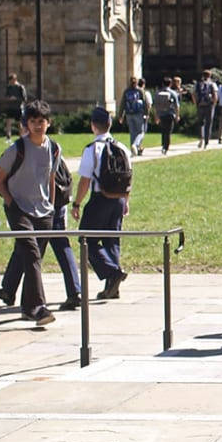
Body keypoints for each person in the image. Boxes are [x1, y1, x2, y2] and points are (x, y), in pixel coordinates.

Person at [0, 100, 66, 325]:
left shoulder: (54, 149)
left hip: (44, 210)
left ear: (48, 123)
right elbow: (0, 182)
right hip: (19, 208)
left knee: (32, 258)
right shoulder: (16, 150)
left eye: (41, 121)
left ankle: (26, 306)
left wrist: (52, 208)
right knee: (32, 254)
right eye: (33, 121)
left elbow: (51, 179)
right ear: (26, 124)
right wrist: (10, 202)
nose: (37, 126)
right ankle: (39, 308)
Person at [69, 107, 130, 301]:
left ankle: (113, 273)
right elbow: (128, 177)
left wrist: (77, 203)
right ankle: (113, 286)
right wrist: (125, 201)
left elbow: (85, 180)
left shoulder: (92, 149)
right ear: (110, 124)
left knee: (87, 239)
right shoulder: (122, 148)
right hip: (119, 199)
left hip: (100, 199)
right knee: (112, 240)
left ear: (93, 126)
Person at [121, 77, 149, 154]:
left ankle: (134, 150)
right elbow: (145, 103)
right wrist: (146, 114)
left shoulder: (126, 91)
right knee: (141, 132)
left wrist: (121, 115)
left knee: (132, 132)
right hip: (138, 114)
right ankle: (135, 145)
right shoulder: (140, 90)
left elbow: (122, 104)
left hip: (129, 114)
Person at [154, 77, 180, 155]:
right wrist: (177, 115)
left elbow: (156, 106)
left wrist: (156, 116)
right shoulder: (173, 93)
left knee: (163, 130)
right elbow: (177, 105)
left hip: (161, 114)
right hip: (170, 114)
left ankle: (163, 145)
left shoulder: (158, 93)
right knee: (168, 131)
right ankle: (166, 147)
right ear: (170, 84)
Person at [194, 71, 219, 148]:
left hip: (200, 105)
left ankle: (201, 138)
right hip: (209, 106)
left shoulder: (198, 84)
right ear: (210, 76)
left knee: (200, 123)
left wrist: (196, 103)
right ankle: (206, 141)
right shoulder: (212, 84)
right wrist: (214, 104)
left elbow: (193, 94)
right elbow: (215, 95)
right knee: (208, 123)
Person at [2, 74, 27, 140]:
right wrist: (9, 98)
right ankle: (8, 137)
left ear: (15, 80)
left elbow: (24, 98)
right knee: (8, 122)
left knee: (20, 123)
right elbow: (6, 96)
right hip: (10, 107)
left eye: (11, 81)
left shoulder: (20, 87)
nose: (10, 82)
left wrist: (16, 99)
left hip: (18, 107)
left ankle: (22, 137)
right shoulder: (9, 87)